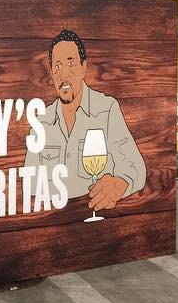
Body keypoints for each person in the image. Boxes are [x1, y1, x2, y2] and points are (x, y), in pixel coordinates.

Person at [24, 29, 146, 212]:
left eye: (70, 63)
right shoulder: (41, 122)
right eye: (57, 66)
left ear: (83, 68)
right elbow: (30, 184)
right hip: (53, 220)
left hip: (95, 219)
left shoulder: (106, 109)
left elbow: (134, 166)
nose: (63, 74)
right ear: (51, 72)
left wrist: (118, 184)